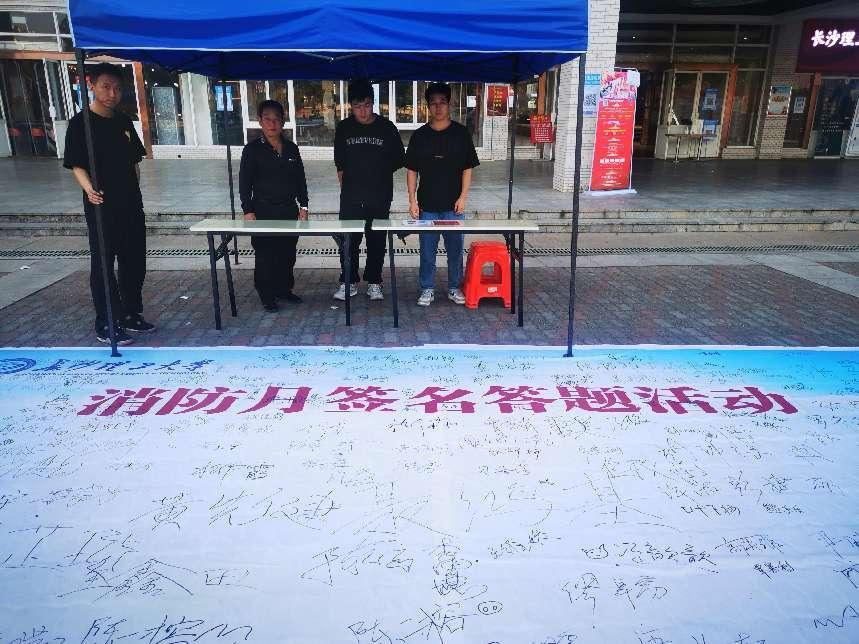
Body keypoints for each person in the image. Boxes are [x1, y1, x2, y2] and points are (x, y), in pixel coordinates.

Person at [64, 62, 154, 345]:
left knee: (134, 260)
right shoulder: (80, 124)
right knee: (104, 262)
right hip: (101, 202)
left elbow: (135, 160)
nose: (112, 94)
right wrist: (89, 189)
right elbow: (76, 164)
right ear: (91, 85)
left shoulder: (123, 121)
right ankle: (106, 319)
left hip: (130, 203)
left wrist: (134, 189)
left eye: (117, 88)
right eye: (106, 87)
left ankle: (130, 312)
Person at [405, 82, 479, 307]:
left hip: (453, 206)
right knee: (427, 252)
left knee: (455, 251)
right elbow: (411, 170)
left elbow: (467, 167)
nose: (438, 107)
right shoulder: (420, 136)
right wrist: (412, 200)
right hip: (427, 205)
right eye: (433, 103)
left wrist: (463, 197)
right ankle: (427, 288)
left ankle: (454, 287)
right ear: (428, 106)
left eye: (442, 102)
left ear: (450, 104)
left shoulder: (460, 134)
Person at [332, 79, 405, 301]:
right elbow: (340, 166)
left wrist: (378, 172)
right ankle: (348, 281)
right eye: (357, 106)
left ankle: (374, 282)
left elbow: (398, 159)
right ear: (350, 106)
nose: (362, 111)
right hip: (351, 197)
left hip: (379, 195)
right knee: (348, 242)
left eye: (366, 105)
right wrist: (348, 191)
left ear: (373, 103)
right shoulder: (344, 128)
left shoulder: (387, 128)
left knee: (376, 241)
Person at [239, 99, 309, 312]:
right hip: (263, 210)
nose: (272, 124)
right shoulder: (252, 150)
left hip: (288, 209)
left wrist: (304, 206)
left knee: (287, 253)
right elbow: (244, 183)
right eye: (267, 119)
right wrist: (248, 210)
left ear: (283, 121)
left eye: (276, 119)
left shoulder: (291, 149)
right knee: (265, 255)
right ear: (260, 121)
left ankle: (284, 289)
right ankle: (266, 294)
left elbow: (300, 180)